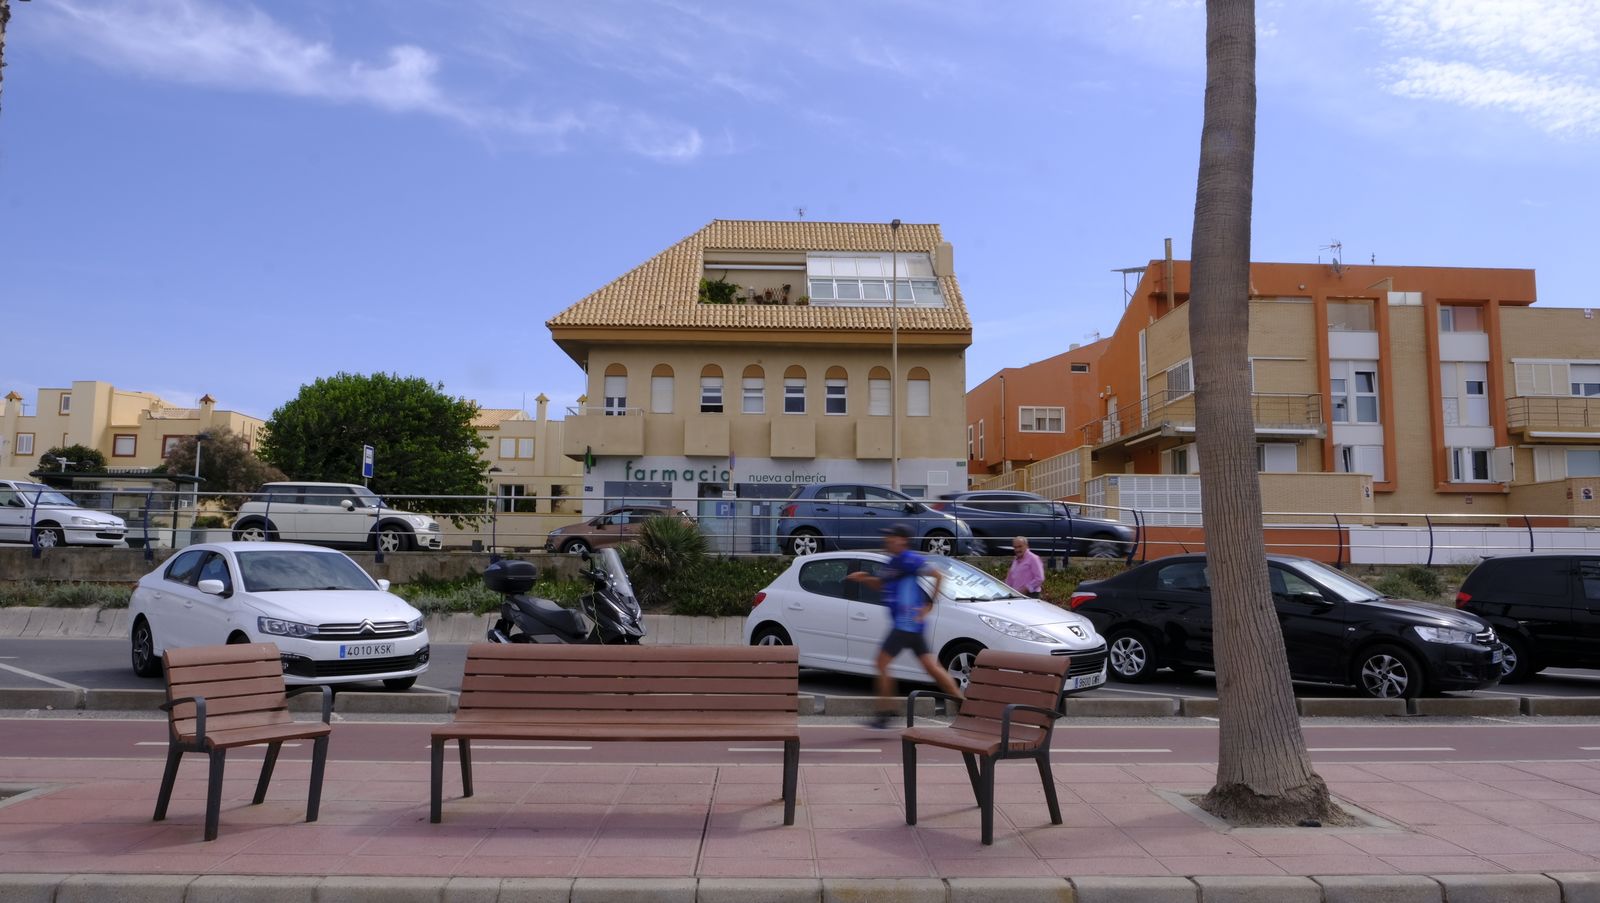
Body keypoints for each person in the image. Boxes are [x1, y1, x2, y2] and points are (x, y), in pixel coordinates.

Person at [847, 523, 965, 730]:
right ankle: (963, 704)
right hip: (908, 625)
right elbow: (881, 585)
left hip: (906, 623)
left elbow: (938, 575)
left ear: (902, 540)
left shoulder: (909, 560)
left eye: (891, 536)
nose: (886, 540)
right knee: (931, 667)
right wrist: (864, 578)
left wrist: (928, 604)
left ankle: (886, 713)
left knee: (882, 663)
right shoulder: (893, 562)